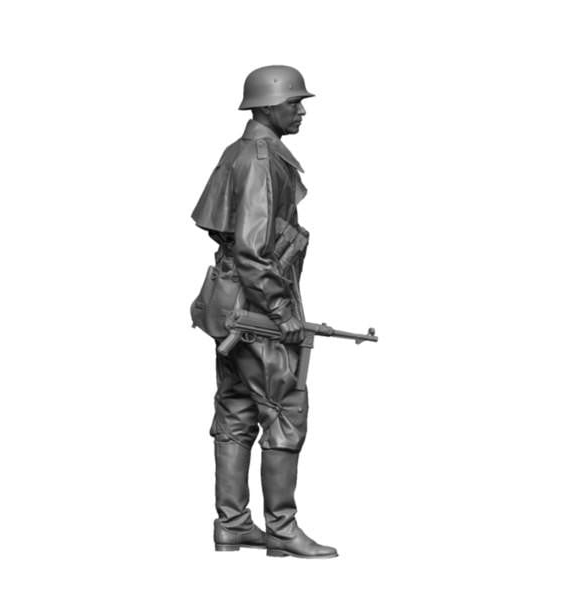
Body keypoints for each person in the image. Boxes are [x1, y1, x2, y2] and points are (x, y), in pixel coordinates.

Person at [190, 65, 337, 559]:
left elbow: (223, 232)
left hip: (232, 302)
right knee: (284, 409)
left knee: (236, 410)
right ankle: (281, 530)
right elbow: (254, 249)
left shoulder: (239, 153)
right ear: (268, 104)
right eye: (293, 101)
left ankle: (232, 526)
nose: (301, 110)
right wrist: (280, 309)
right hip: (257, 310)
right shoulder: (260, 159)